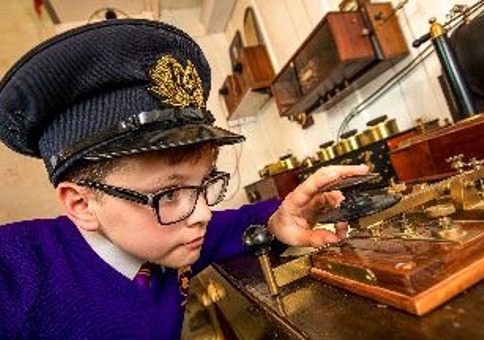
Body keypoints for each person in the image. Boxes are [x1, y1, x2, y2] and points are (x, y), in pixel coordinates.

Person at [0, 18, 368, 338]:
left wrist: (279, 220)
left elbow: (237, 224)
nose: (203, 214)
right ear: (81, 204)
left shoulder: (168, 236)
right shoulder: (15, 276)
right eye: (170, 193)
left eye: (205, 183)